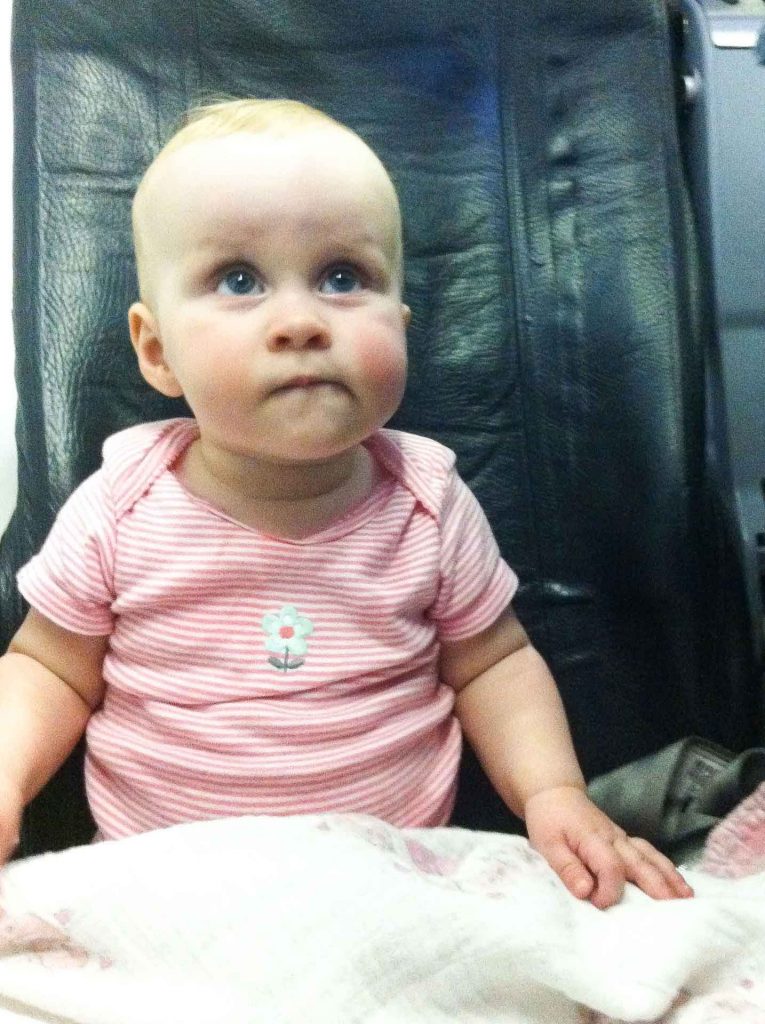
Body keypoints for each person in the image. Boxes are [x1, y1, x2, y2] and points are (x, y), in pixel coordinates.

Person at [0, 98, 692, 909]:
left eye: (342, 278)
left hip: (391, 891)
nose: (299, 321)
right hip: (163, 892)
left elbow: (494, 663)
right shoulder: (121, 506)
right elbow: (50, 668)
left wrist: (553, 795)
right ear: (157, 351)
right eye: (238, 280)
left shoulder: (427, 504)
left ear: (400, 324)